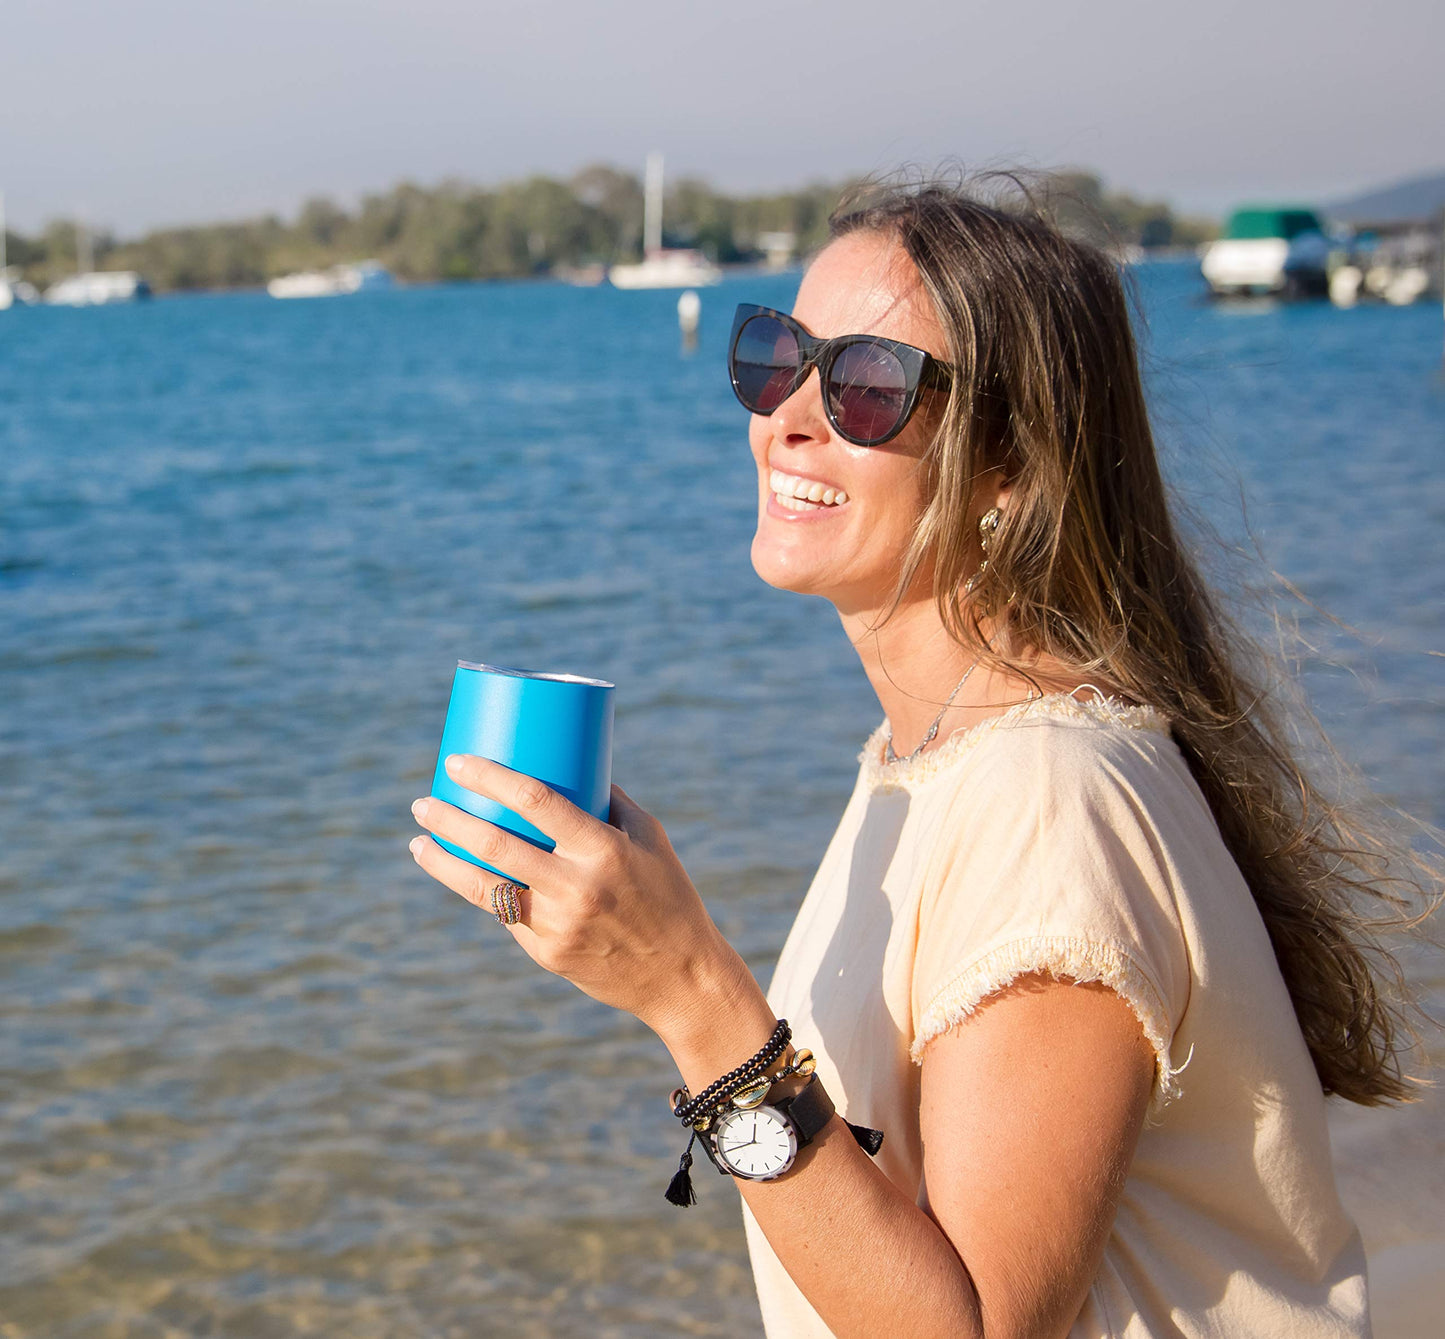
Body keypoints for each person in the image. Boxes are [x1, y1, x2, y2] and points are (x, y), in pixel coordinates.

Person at [407, 180, 1429, 1338]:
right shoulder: (931, 759)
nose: (789, 415)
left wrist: (689, 991)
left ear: (1010, 471)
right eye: (776, 355)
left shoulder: (1047, 800)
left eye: (866, 385)